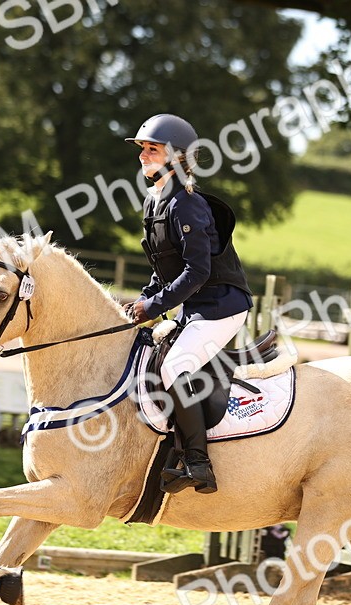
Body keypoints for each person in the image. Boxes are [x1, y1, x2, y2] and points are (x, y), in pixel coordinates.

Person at [123, 114, 254, 494]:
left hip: (222, 305)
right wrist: (145, 300)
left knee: (177, 366)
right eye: (143, 149)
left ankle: (198, 464)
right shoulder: (154, 202)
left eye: (153, 149)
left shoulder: (187, 205)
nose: (144, 155)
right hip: (193, 306)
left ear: (177, 157)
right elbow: (164, 267)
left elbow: (197, 271)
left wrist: (157, 306)